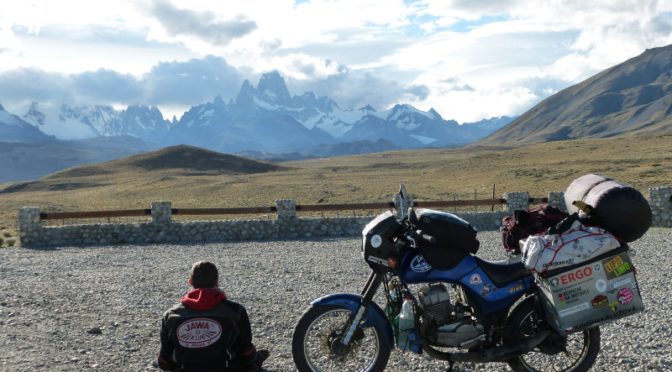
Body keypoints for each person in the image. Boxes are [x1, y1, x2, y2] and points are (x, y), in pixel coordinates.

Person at [158, 261, 269, 371]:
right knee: (249, 362)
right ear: (216, 282)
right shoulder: (235, 311)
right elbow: (246, 354)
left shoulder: (171, 315)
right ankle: (257, 361)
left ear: (190, 282)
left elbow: (163, 362)